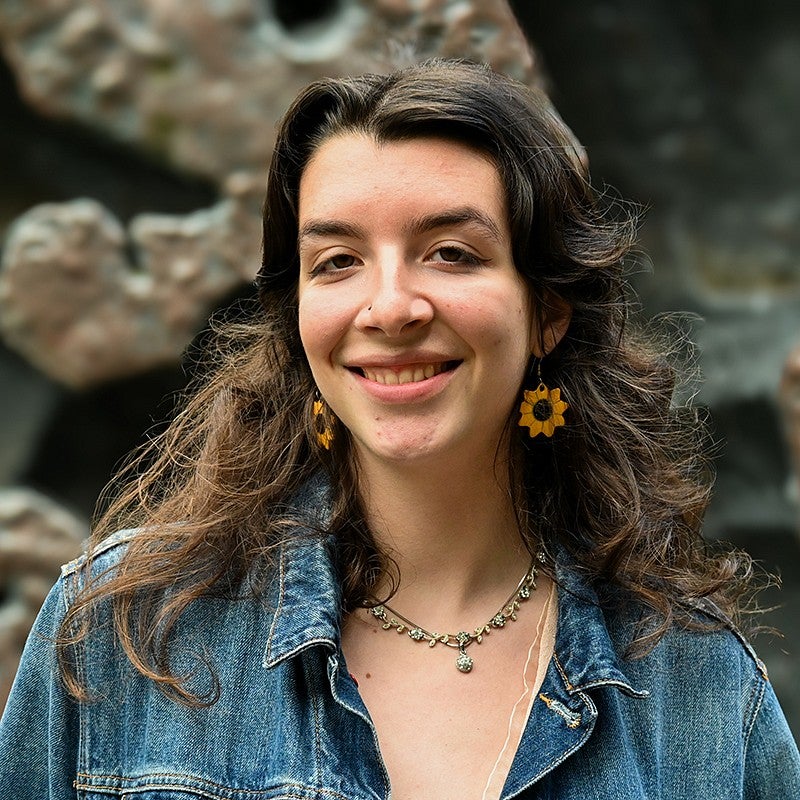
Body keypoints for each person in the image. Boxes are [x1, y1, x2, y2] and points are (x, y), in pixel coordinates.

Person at [0, 58, 798, 800]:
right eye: (338, 261)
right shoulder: (119, 629)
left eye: (450, 253)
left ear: (547, 310)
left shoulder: (703, 691)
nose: (389, 308)